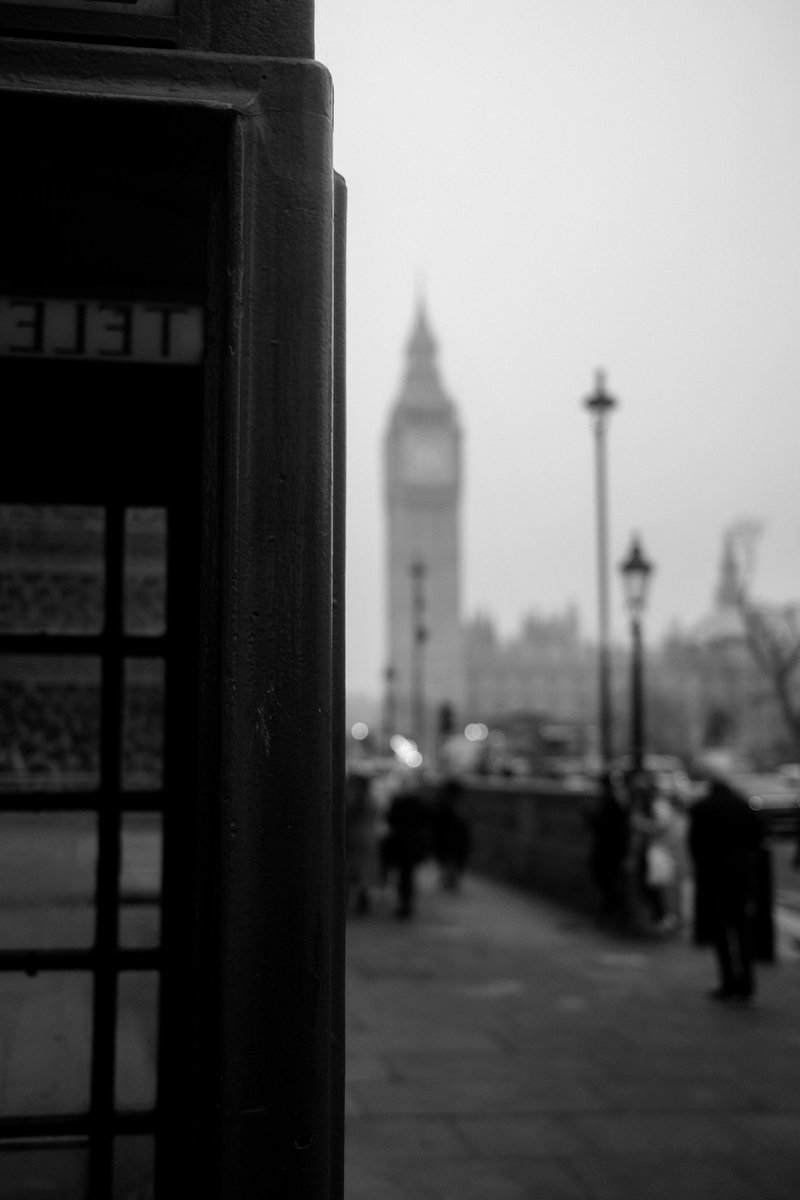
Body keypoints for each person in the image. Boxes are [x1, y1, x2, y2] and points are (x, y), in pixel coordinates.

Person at [688, 767, 764, 1003]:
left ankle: (728, 983)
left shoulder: (702, 808)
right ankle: (747, 984)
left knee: (721, 932)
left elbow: (695, 844)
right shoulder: (743, 806)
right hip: (740, 877)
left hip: (713, 878)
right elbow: (759, 837)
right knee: (743, 932)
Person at [628, 771, 679, 934]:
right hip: (649, 850)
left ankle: (663, 917)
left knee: (651, 886)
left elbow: (662, 825)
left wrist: (641, 824)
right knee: (647, 886)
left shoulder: (657, 804)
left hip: (655, 851)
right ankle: (660, 917)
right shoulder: (649, 804)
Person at [585, 768, 630, 928]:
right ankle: (610, 911)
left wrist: (589, 816)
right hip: (614, 847)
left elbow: (602, 824)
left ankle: (614, 910)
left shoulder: (610, 800)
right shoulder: (618, 799)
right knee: (608, 878)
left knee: (605, 878)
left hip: (608, 847)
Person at [382, 774, 432, 918]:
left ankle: (404, 902)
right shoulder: (420, 803)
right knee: (408, 874)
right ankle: (407, 902)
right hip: (413, 844)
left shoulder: (398, 802)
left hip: (400, 843)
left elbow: (390, 819)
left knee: (403, 875)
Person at [430, 776, 472, 891]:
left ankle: (449, 878)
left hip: (446, 838)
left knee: (447, 858)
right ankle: (451, 879)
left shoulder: (441, 803)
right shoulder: (458, 805)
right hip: (454, 838)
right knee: (454, 858)